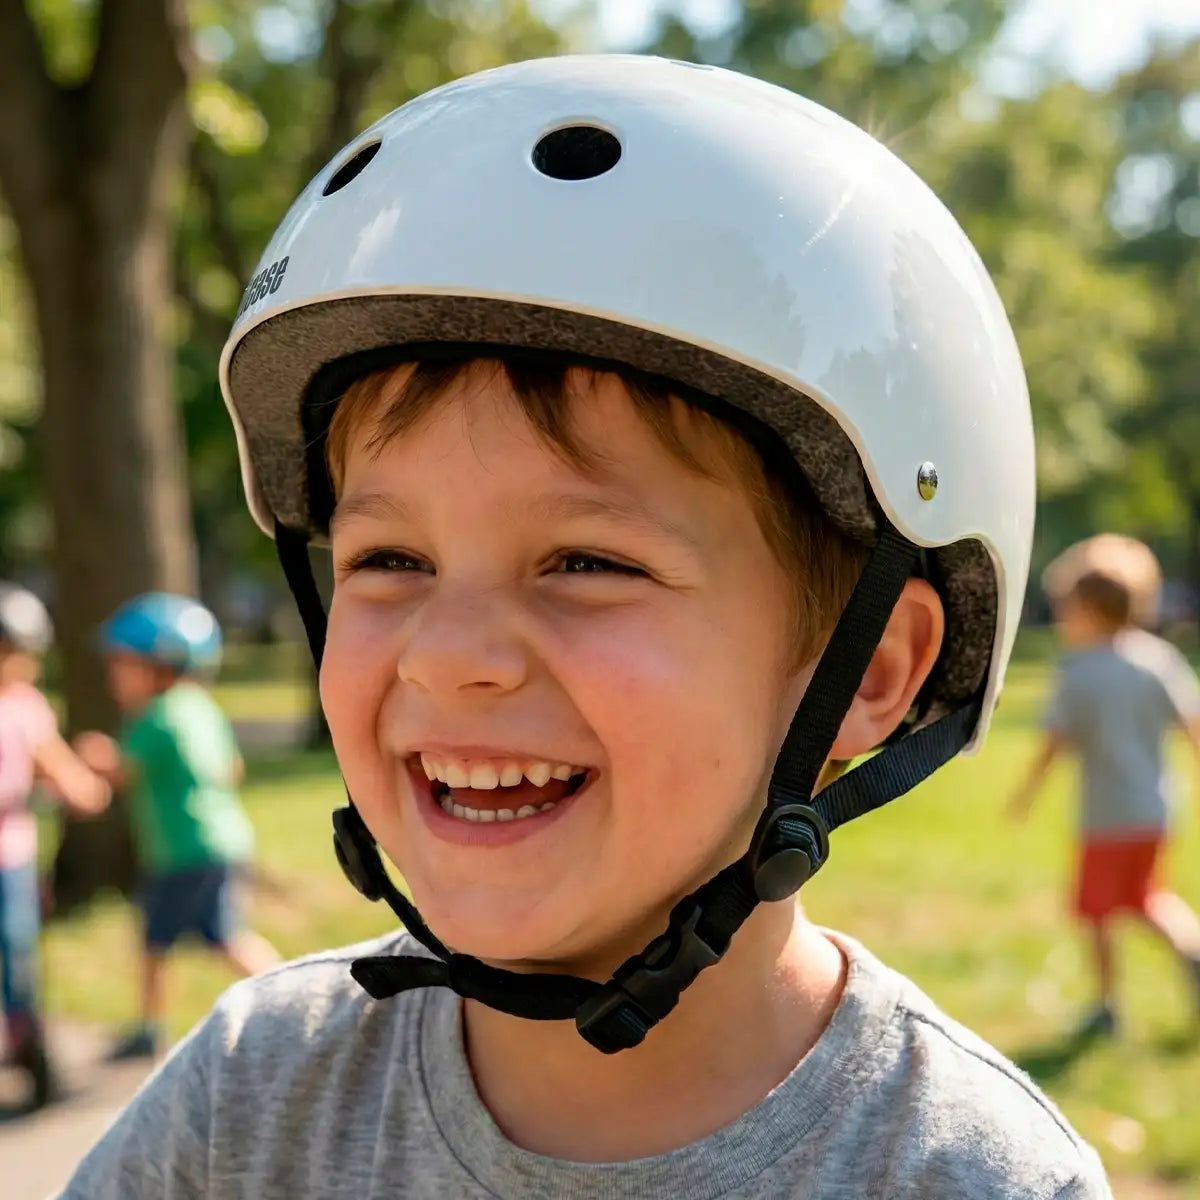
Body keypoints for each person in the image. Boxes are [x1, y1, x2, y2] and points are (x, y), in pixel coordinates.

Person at [61, 57, 1110, 1197]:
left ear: (871, 672)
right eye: (389, 560)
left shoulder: (967, 1176)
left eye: (587, 563)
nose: (448, 657)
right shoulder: (247, 1103)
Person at [73, 592, 279, 1061]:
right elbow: (233, 768)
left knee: (208, 938)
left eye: (123, 665)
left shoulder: (154, 718)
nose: (113, 677)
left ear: (162, 664)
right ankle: (153, 1024)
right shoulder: (201, 707)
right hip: (219, 842)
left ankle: (293, 998)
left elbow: (121, 772)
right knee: (182, 937)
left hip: (186, 850)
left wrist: (95, 757)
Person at [1010, 547, 1200, 1039]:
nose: (1061, 620)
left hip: (1106, 817)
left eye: (1066, 609)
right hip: (1155, 809)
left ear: (1089, 611)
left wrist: (1026, 794)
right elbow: (1192, 724)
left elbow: (1054, 743)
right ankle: (1192, 946)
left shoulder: (1079, 672)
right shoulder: (1158, 659)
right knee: (1146, 897)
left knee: (1095, 910)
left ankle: (1106, 1004)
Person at [0, 583, 109, 1109]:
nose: (23, 664)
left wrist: (85, 785)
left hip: (11, 862)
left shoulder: (27, 708)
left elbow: (64, 774)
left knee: (16, 960)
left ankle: (31, 1056)